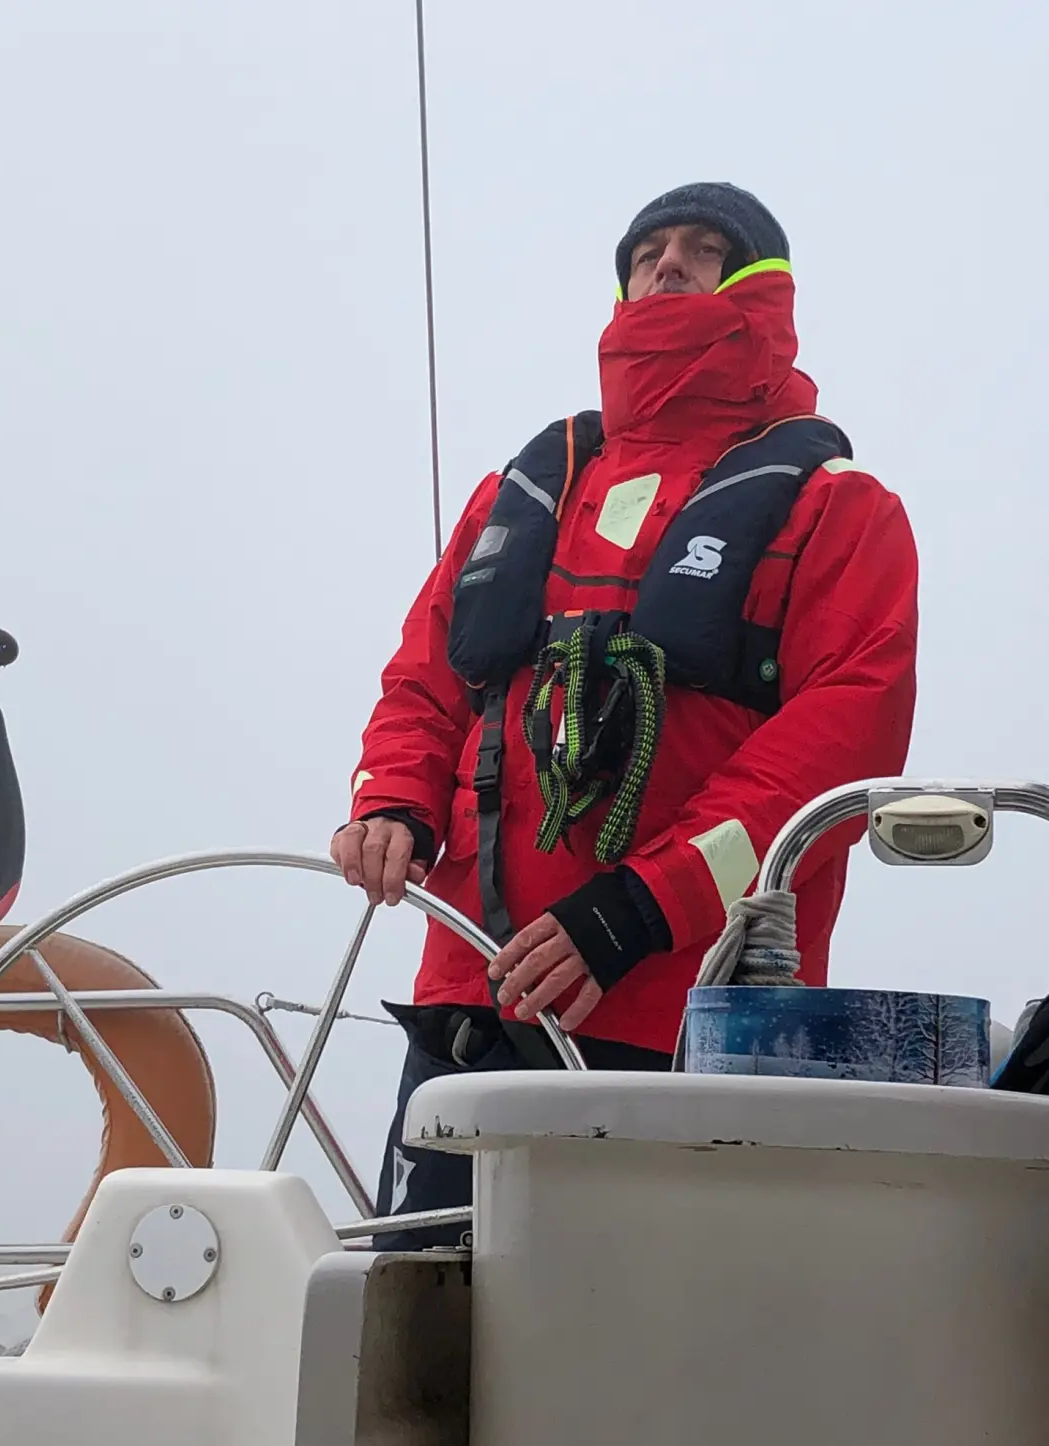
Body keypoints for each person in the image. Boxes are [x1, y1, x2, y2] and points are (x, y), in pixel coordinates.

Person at [331, 182, 919, 1246]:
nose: (669, 265)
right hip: (469, 1001)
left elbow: (840, 746)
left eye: (705, 248)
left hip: (688, 1026)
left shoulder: (838, 505)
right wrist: (396, 801)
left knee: (641, 1363)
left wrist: (638, 911)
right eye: (648, 250)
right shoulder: (524, 491)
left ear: (763, 289)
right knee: (422, 1341)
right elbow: (425, 681)